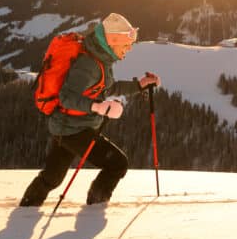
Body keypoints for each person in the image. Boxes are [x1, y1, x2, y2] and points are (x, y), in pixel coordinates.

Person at [20, 13, 161, 207]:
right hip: (74, 129)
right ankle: (95, 207)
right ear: (113, 41)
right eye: (126, 44)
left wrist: (140, 85)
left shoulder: (101, 60)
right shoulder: (89, 65)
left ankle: (26, 207)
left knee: (52, 177)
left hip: (66, 127)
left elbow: (106, 87)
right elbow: (66, 97)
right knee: (117, 164)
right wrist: (97, 107)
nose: (128, 49)